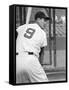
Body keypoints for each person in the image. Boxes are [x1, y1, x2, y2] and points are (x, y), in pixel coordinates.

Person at [16, 11, 50, 83]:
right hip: (30, 60)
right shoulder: (42, 32)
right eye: (44, 20)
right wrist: (40, 66)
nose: (45, 23)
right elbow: (42, 53)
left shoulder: (22, 27)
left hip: (16, 61)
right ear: (38, 19)